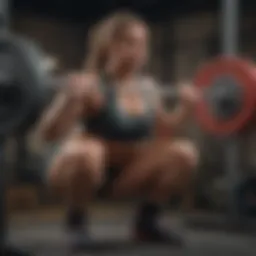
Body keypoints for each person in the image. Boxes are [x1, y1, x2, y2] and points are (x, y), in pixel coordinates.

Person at [37, 11, 199, 248]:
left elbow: (165, 134)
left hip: (125, 178)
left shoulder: (148, 88)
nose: (139, 51)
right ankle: (76, 223)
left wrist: (186, 109)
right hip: (82, 173)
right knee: (87, 151)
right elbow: (48, 134)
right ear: (108, 46)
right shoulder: (93, 85)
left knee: (184, 153)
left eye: (143, 44)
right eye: (130, 43)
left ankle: (146, 224)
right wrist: (68, 100)